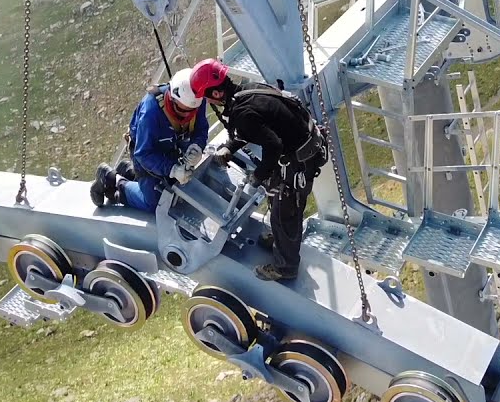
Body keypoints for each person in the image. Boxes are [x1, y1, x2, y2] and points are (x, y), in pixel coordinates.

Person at [190, 58, 328, 281]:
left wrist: (257, 177)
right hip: (304, 147)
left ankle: (286, 267)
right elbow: (257, 126)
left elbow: (273, 145)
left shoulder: (241, 112)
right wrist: (230, 147)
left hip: (296, 161)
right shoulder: (247, 90)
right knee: (280, 204)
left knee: (285, 209)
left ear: (216, 94)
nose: (207, 101)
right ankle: (280, 237)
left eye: (206, 96)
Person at [91, 68, 209, 212]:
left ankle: (128, 171)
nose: (187, 116)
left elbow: (201, 128)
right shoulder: (151, 112)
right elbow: (144, 154)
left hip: (172, 144)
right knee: (156, 202)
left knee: (183, 186)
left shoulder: (196, 100)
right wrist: (172, 169)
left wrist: (197, 145)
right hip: (147, 152)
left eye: (191, 111)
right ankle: (113, 181)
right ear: (171, 98)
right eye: (183, 111)